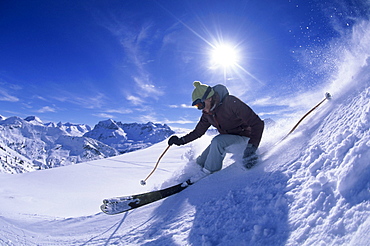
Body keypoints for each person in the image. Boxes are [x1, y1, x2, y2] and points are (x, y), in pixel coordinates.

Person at [168, 81, 264, 182]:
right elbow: (198, 132)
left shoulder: (231, 103)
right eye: (197, 106)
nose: (200, 108)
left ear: (209, 98)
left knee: (217, 141)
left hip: (246, 139)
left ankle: (208, 173)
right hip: (228, 140)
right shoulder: (207, 114)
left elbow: (257, 123)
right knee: (201, 161)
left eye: (200, 104)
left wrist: (251, 147)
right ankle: (197, 170)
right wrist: (181, 140)